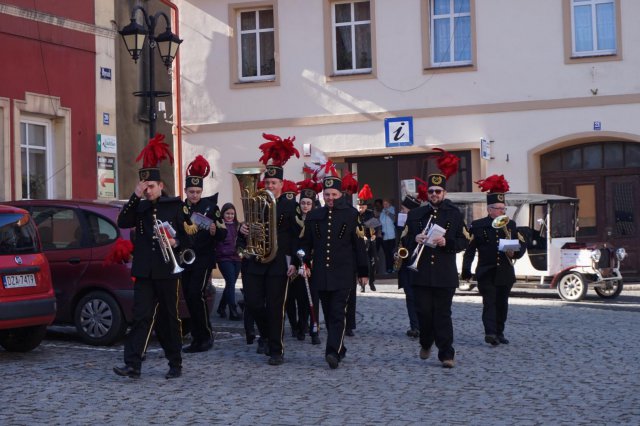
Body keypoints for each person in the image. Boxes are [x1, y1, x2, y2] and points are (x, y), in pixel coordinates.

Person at [113, 134, 187, 379]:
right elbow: (122, 220)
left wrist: (176, 241)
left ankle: (175, 362)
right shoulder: (140, 206)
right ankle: (133, 365)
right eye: (144, 187)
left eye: (150, 187)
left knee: (169, 318)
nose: (147, 190)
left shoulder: (175, 206)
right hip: (145, 272)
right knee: (141, 317)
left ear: (161, 186)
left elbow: (190, 236)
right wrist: (135, 195)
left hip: (167, 270)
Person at [238, 133, 301, 366]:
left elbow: (297, 237)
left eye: (274, 183)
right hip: (256, 261)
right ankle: (265, 335)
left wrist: (296, 262)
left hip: (277, 263)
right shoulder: (257, 202)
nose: (270, 186)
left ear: (281, 185)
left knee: (276, 307)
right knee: (253, 303)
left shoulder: (290, 206)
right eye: (267, 183)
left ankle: (276, 349)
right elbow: (250, 228)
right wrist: (243, 229)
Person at [404, 149, 468, 369]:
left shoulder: (454, 214)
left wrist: (446, 243)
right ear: (426, 193)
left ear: (444, 192)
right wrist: (415, 238)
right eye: (431, 191)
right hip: (420, 273)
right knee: (424, 314)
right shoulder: (415, 215)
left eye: (438, 191)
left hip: (444, 274)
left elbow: (464, 241)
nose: (434, 194)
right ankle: (425, 342)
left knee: (443, 315)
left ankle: (446, 354)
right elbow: (402, 243)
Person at [300, 174, 369, 369]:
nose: (330, 197)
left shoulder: (351, 214)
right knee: (329, 313)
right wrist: (303, 261)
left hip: (344, 273)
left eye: (334, 194)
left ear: (341, 194)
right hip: (321, 273)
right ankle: (340, 347)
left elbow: (359, 246)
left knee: (338, 313)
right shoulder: (314, 216)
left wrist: (363, 272)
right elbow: (305, 244)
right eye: (327, 194)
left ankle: (332, 352)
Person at [461, 175, 526, 346]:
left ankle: (499, 331)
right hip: (486, 271)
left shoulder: (510, 225)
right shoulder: (478, 225)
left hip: (505, 271)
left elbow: (521, 244)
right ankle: (490, 333)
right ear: (490, 210)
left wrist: (515, 254)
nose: (502, 212)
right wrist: (466, 271)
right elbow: (470, 251)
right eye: (499, 208)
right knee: (489, 302)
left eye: (504, 208)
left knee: (502, 304)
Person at [180, 156, 227, 353]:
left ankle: (205, 336)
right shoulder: (180, 208)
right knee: (190, 297)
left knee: (195, 294)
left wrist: (216, 231)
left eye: (198, 192)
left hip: (204, 258)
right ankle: (198, 337)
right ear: (185, 191)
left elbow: (224, 233)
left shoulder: (210, 207)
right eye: (191, 192)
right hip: (186, 258)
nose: (195, 195)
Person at [396, 193, 422, 338]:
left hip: (416, 264)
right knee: (409, 296)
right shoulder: (401, 223)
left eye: (404, 209)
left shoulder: (418, 223)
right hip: (405, 265)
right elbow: (399, 241)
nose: (402, 212)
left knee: (416, 297)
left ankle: (419, 325)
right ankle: (414, 326)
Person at [216, 203, 243, 321]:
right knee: (231, 283)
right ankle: (233, 310)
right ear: (223, 213)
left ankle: (221, 307)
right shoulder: (219, 225)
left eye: (232, 213)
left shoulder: (238, 225)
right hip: (224, 258)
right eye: (227, 213)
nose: (230, 216)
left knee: (230, 284)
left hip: (237, 258)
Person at [356, 184, 377, 293]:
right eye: (359, 207)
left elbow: (376, 227)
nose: (361, 209)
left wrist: (374, 235)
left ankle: (372, 282)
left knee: (373, 263)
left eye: (363, 207)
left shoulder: (370, 214)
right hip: (360, 243)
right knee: (362, 264)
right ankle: (362, 285)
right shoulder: (355, 215)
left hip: (370, 242)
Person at [380, 199, 396, 273]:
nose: (385, 205)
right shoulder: (382, 212)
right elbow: (380, 222)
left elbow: (395, 219)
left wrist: (389, 213)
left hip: (392, 235)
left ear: (389, 204)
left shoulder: (393, 209)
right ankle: (388, 268)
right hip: (385, 235)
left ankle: (394, 268)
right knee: (387, 253)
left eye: (386, 203)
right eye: (384, 204)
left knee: (392, 252)